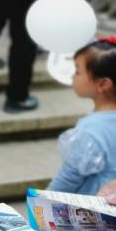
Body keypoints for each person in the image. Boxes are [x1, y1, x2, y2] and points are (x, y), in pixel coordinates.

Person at [48, 39, 116, 195]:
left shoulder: (90, 131)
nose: (73, 76)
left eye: (78, 71)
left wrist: (39, 205)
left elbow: (67, 180)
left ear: (103, 84)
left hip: (96, 206)